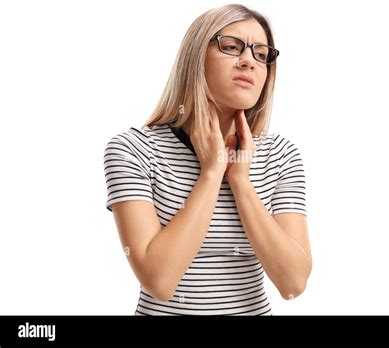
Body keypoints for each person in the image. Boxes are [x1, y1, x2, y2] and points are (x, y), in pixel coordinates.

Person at [103, 3, 312, 315]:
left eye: (261, 54)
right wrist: (212, 173)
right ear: (195, 58)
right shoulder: (133, 149)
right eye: (231, 47)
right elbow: (159, 281)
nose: (248, 62)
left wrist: (240, 182)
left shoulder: (281, 155)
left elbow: (293, 283)